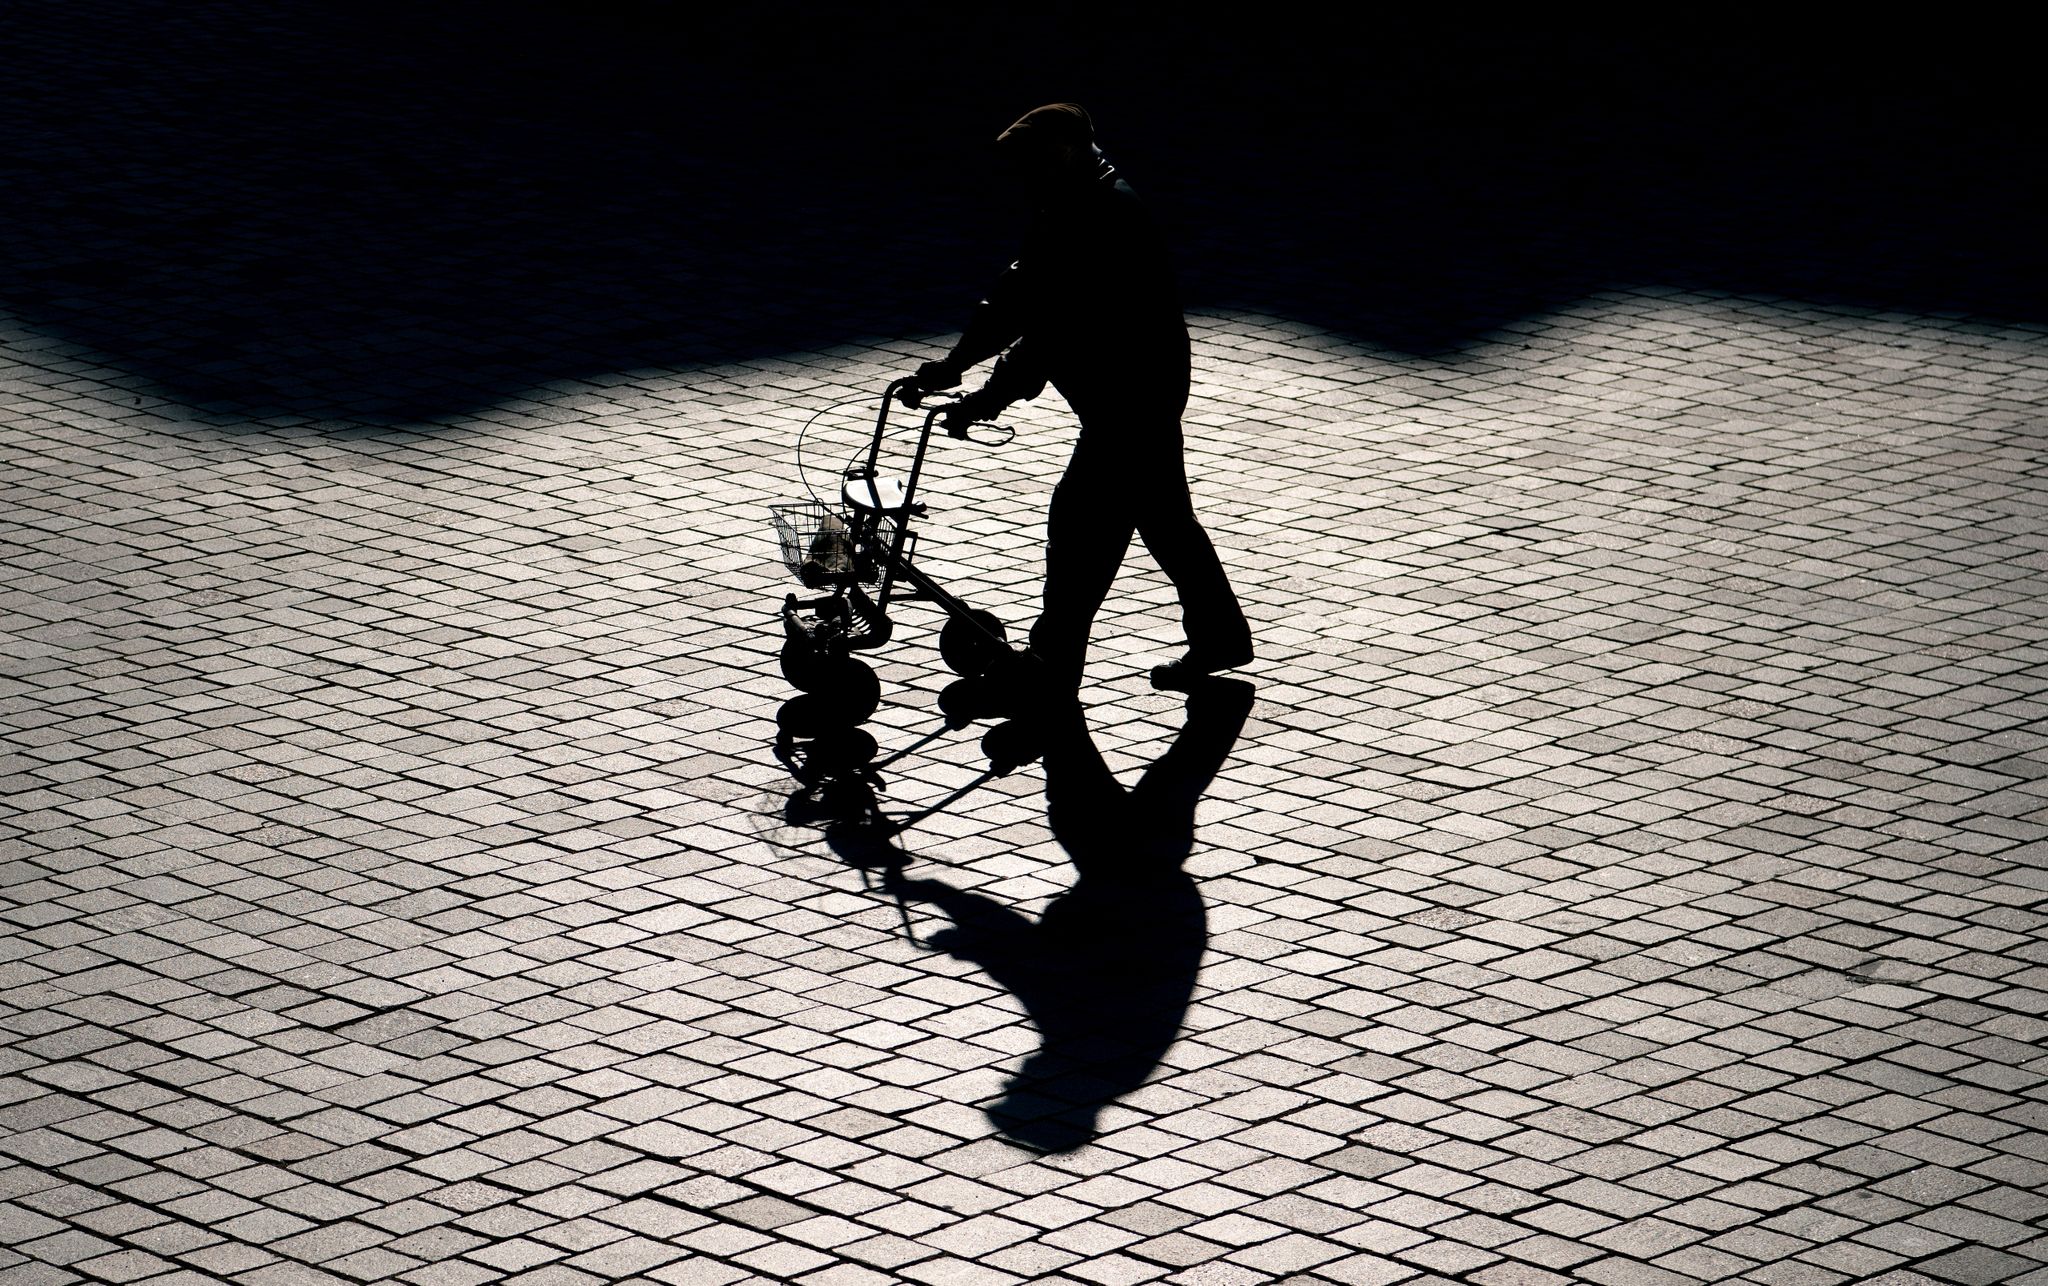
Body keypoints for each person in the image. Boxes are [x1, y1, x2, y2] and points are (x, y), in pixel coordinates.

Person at [912, 103, 1253, 693]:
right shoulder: (1072, 204)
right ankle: (1218, 637)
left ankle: (1052, 661)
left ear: (1068, 148)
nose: (1021, 174)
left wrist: (985, 398)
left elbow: (1055, 327)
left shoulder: (1103, 215)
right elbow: (1017, 293)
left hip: (1129, 399)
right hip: (1134, 394)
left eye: (1031, 159)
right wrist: (955, 364)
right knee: (1163, 520)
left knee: (1080, 526)